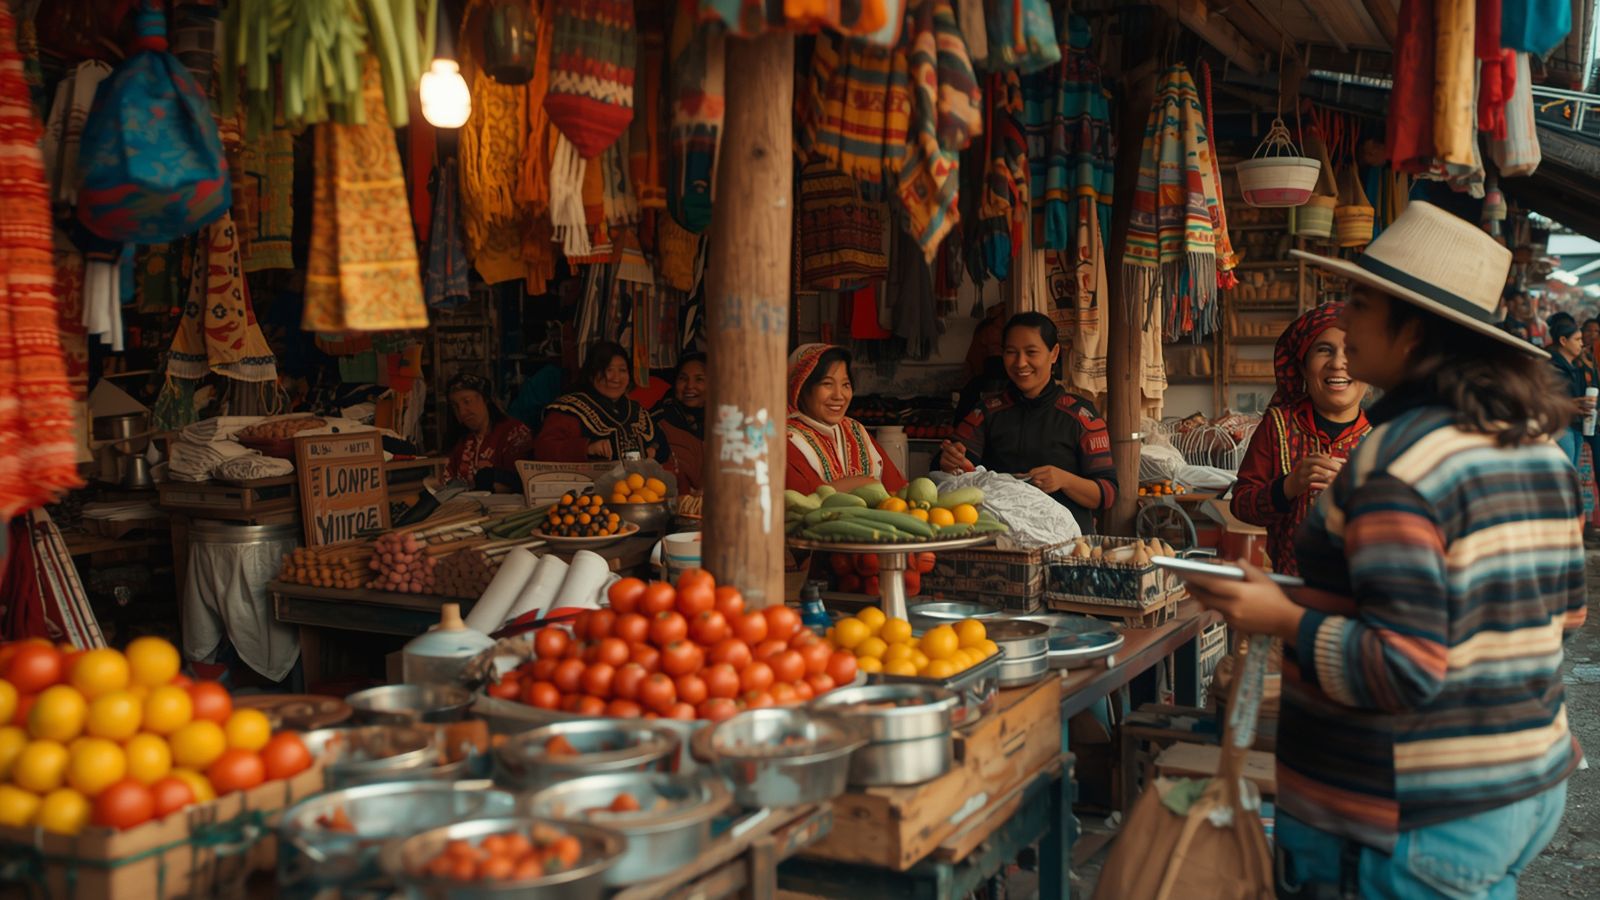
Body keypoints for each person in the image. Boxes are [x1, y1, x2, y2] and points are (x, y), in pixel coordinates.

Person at [1181, 202, 1584, 898]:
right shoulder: (1533, 444)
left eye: (1361, 302)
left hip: (1416, 814)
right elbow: (1560, 616)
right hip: (1523, 784)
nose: (1343, 317)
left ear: (1414, 330)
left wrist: (1276, 615)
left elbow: (1402, 668)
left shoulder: (1398, 463)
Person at [939, 312, 1116, 533]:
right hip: (1000, 541)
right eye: (1011, 353)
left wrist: (1064, 480)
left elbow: (1107, 493)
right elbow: (954, 465)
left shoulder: (1080, 415)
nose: (1020, 363)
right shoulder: (987, 410)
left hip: (1067, 545)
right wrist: (949, 461)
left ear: (1054, 354)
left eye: (1031, 352)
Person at [1231, 304, 1371, 576]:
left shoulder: (1385, 434)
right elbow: (1241, 505)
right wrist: (1289, 486)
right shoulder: (1278, 425)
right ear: (1304, 367)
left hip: (1360, 597)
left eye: (1352, 350)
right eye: (1324, 350)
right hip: (1290, 596)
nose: (1338, 363)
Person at [785, 343, 906, 495]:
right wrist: (866, 483)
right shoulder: (787, 440)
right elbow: (807, 497)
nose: (839, 395)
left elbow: (896, 487)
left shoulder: (855, 430)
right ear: (800, 388)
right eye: (827, 384)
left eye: (845, 384)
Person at [533, 341, 670, 462]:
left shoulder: (636, 410)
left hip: (637, 489)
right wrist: (587, 448)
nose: (616, 378)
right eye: (608, 370)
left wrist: (654, 450)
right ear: (592, 375)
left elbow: (661, 444)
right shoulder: (569, 410)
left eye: (622, 370)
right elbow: (543, 449)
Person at [443, 372, 535, 491]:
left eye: (467, 401)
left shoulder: (515, 432)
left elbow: (520, 482)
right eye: (455, 406)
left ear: (485, 399)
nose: (462, 412)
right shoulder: (459, 439)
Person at [652, 352, 707, 492]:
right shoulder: (658, 421)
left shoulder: (725, 422)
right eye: (683, 379)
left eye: (699, 379)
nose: (690, 386)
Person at [1547, 315, 1591, 469]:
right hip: (1562, 426)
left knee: (1572, 472)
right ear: (1563, 341)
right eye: (1577, 339)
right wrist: (1571, 404)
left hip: (1575, 426)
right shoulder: (1552, 366)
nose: (1582, 343)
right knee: (1565, 471)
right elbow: (1548, 400)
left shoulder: (1575, 367)